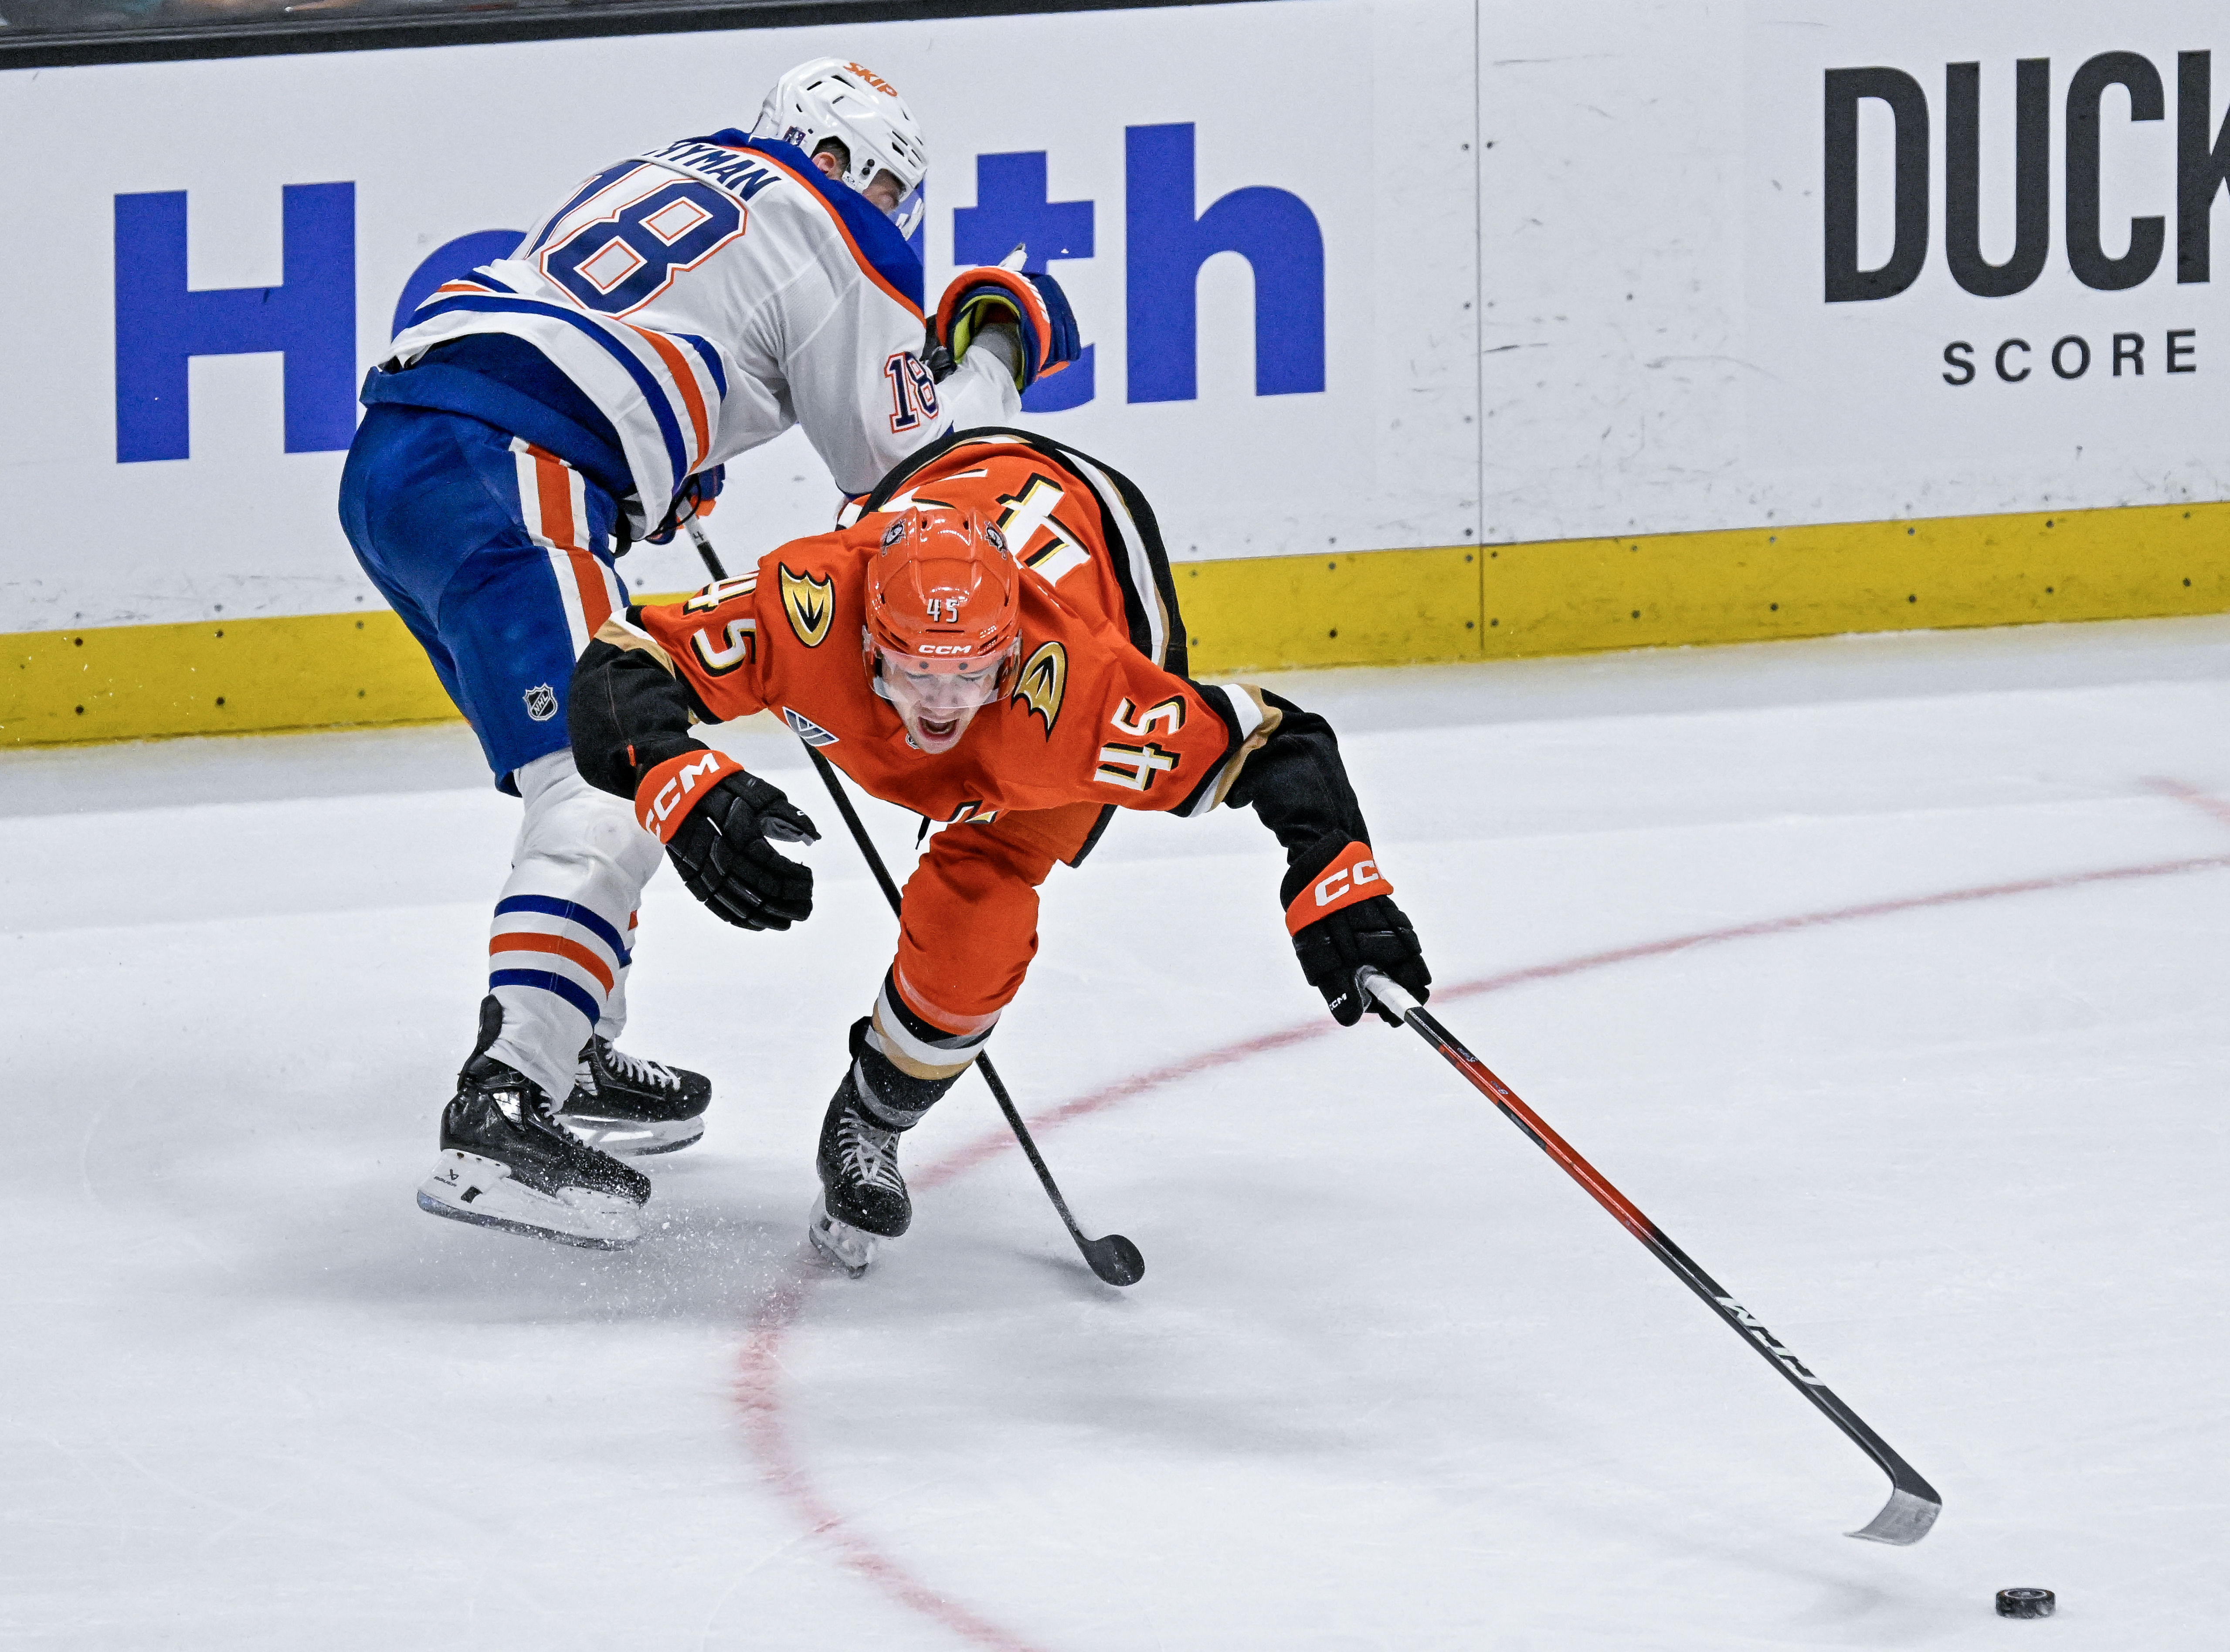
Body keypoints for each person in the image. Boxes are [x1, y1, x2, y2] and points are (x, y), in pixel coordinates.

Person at [336, 58, 1081, 1248]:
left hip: (403, 460)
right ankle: (506, 1097)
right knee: (608, 783)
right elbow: (919, 496)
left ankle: (571, 1048)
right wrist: (999, 345)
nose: (890, 212)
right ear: (839, 163)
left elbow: (619, 338)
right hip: (512, 475)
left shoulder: (669, 165)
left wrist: (663, 454)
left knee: (576, 774)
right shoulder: (837, 224)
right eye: (885, 184)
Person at [564, 427, 1434, 1269]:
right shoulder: (812, 608)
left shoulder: (1085, 699)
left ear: (1012, 653)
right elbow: (624, 660)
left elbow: (1279, 745)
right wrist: (678, 784)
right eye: (915, 670)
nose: (942, 707)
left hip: (1103, 572)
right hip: (948, 474)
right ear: (867, 638)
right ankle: (991, 347)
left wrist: (1336, 881)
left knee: (979, 909)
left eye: (971, 672)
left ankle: (872, 1117)